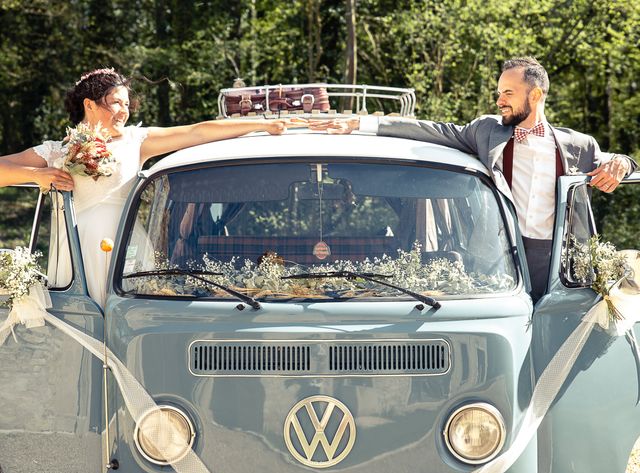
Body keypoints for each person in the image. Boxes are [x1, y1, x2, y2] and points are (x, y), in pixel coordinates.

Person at [311, 57, 637, 302]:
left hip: (557, 263)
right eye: (499, 92)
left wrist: (621, 162)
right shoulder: (487, 131)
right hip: (497, 258)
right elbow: (437, 131)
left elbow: (616, 164)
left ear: (535, 95)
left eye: (508, 92)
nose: (499, 100)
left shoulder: (578, 145)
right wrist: (365, 125)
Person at [0, 67, 301, 307]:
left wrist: (261, 124)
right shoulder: (57, 151)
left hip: (123, 250)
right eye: (116, 102)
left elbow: (196, 132)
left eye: (127, 104)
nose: (123, 110)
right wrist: (38, 175)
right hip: (73, 250)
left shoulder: (136, 142)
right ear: (89, 104)